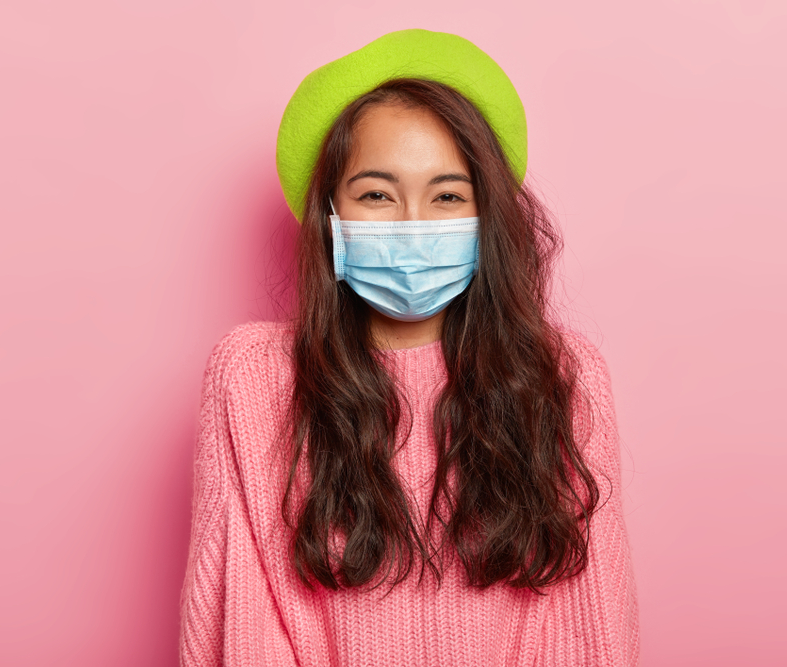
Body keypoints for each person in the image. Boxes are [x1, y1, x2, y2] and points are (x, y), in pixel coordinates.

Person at [179, 29, 639, 666]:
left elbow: (589, 626)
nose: (414, 225)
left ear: (489, 221)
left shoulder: (565, 377)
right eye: (376, 194)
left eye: (448, 196)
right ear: (330, 217)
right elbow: (240, 617)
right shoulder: (252, 378)